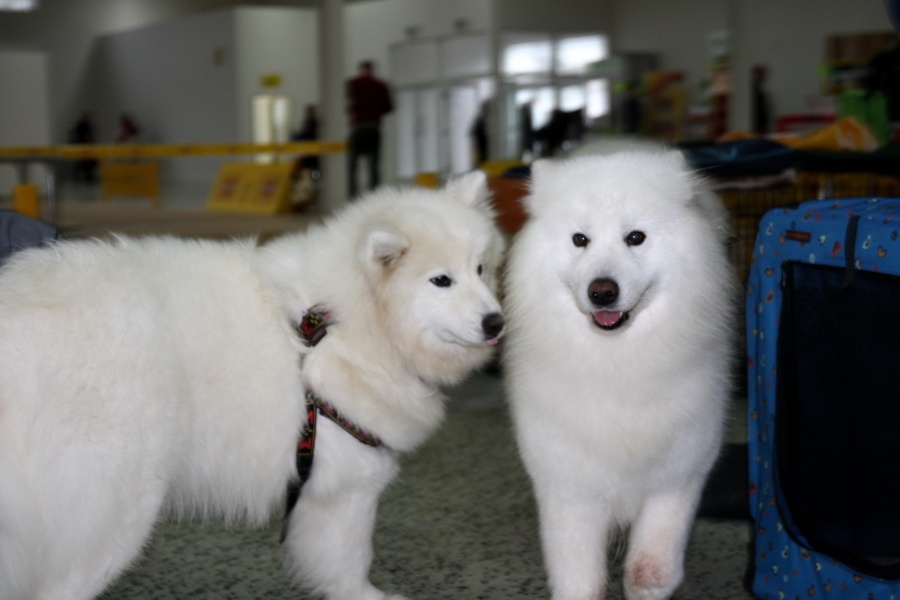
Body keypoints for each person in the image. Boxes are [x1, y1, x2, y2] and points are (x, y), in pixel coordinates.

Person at [346, 60, 393, 199]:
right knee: (374, 165)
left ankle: (352, 196)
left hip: (358, 128)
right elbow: (388, 108)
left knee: (353, 165)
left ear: (360, 69)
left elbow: (348, 102)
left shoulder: (353, 84)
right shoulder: (380, 85)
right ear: (372, 69)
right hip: (373, 128)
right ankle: (373, 196)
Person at [751, 65, 771, 135]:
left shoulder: (758, 85)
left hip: (761, 119)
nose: (764, 76)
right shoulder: (753, 86)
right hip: (758, 119)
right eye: (762, 74)